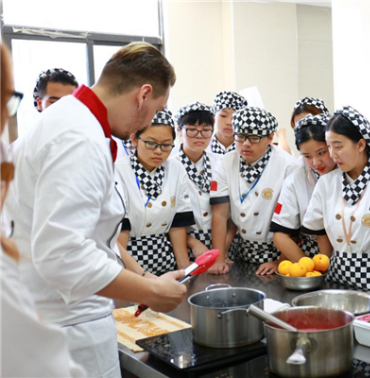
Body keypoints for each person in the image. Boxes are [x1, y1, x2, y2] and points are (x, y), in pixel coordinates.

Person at [6, 42, 187, 377]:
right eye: (153, 110)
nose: (145, 123)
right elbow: (62, 255)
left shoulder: (68, 119)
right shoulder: (80, 138)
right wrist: (151, 291)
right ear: (143, 95)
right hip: (66, 326)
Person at [1, 42, 85, 378]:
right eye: (55, 102)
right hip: (38, 291)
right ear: (38, 104)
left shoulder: (83, 151)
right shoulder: (19, 152)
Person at [208, 107, 301, 274]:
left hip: (279, 252)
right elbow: (220, 214)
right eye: (240, 137)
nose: (246, 144)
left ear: (270, 137)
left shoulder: (288, 165)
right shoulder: (226, 162)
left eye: (254, 138)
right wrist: (219, 257)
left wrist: (281, 260)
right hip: (241, 251)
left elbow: (294, 219)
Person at [302, 106, 370, 293]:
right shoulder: (327, 182)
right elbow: (318, 228)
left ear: (361, 145)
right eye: (329, 147)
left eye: (338, 146)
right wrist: (326, 263)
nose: (332, 154)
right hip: (336, 275)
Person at [116, 110, 195, 275]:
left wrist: (184, 270)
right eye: (151, 143)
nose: (158, 151)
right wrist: (136, 276)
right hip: (129, 262)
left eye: (166, 145)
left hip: (165, 259)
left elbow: (178, 223)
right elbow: (120, 230)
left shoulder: (176, 168)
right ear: (134, 139)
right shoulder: (119, 170)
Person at [267, 114, 335, 269]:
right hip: (311, 255)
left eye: (322, 153)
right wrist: (307, 268)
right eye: (307, 156)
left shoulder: (347, 174)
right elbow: (280, 236)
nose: (316, 162)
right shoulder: (295, 180)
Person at [172, 102, 223, 259]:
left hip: (220, 244)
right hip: (183, 246)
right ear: (180, 131)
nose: (199, 136)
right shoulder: (170, 166)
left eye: (206, 130)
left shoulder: (221, 162)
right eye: (192, 130)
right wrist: (192, 242)